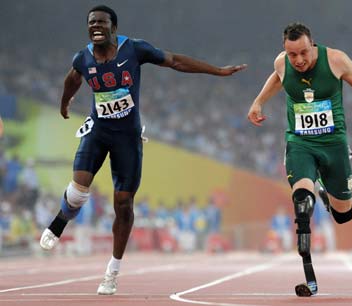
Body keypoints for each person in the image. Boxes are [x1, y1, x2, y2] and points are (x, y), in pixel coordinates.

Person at [39, 5, 246, 295]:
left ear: (113, 27)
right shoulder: (83, 57)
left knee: (123, 205)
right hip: (98, 131)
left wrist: (218, 71)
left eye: (102, 22)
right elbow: (72, 79)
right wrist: (64, 103)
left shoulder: (133, 49)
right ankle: (60, 221)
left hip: (128, 138)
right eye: (91, 22)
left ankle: (112, 271)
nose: (96, 26)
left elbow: (174, 61)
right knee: (77, 192)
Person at [247, 22, 352, 296]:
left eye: (302, 53)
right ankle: (309, 271)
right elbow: (278, 75)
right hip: (301, 143)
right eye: (291, 54)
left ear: (313, 46)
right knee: (301, 202)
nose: (297, 60)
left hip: (334, 145)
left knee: (343, 216)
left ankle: (323, 188)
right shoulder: (282, 62)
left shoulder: (335, 59)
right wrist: (258, 101)